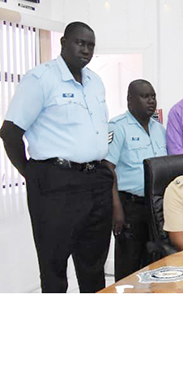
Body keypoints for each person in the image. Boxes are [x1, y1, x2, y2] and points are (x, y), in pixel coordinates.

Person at [1, 21, 113, 293]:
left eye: (91, 45)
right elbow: (10, 132)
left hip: (95, 179)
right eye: (80, 43)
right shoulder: (41, 78)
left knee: (93, 264)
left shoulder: (95, 82)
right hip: (55, 182)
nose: (86, 50)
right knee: (54, 266)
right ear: (63, 43)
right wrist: (32, 172)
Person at [104, 79, 167, 281]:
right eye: (145, 96)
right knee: (129, 265)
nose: (151, 101)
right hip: (130, 206)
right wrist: (116, 208)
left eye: (153, 96)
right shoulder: (118, 127)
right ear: (130, 100)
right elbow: (107, 169)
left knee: (154, 263)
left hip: (156, 207)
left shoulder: (159, 129)